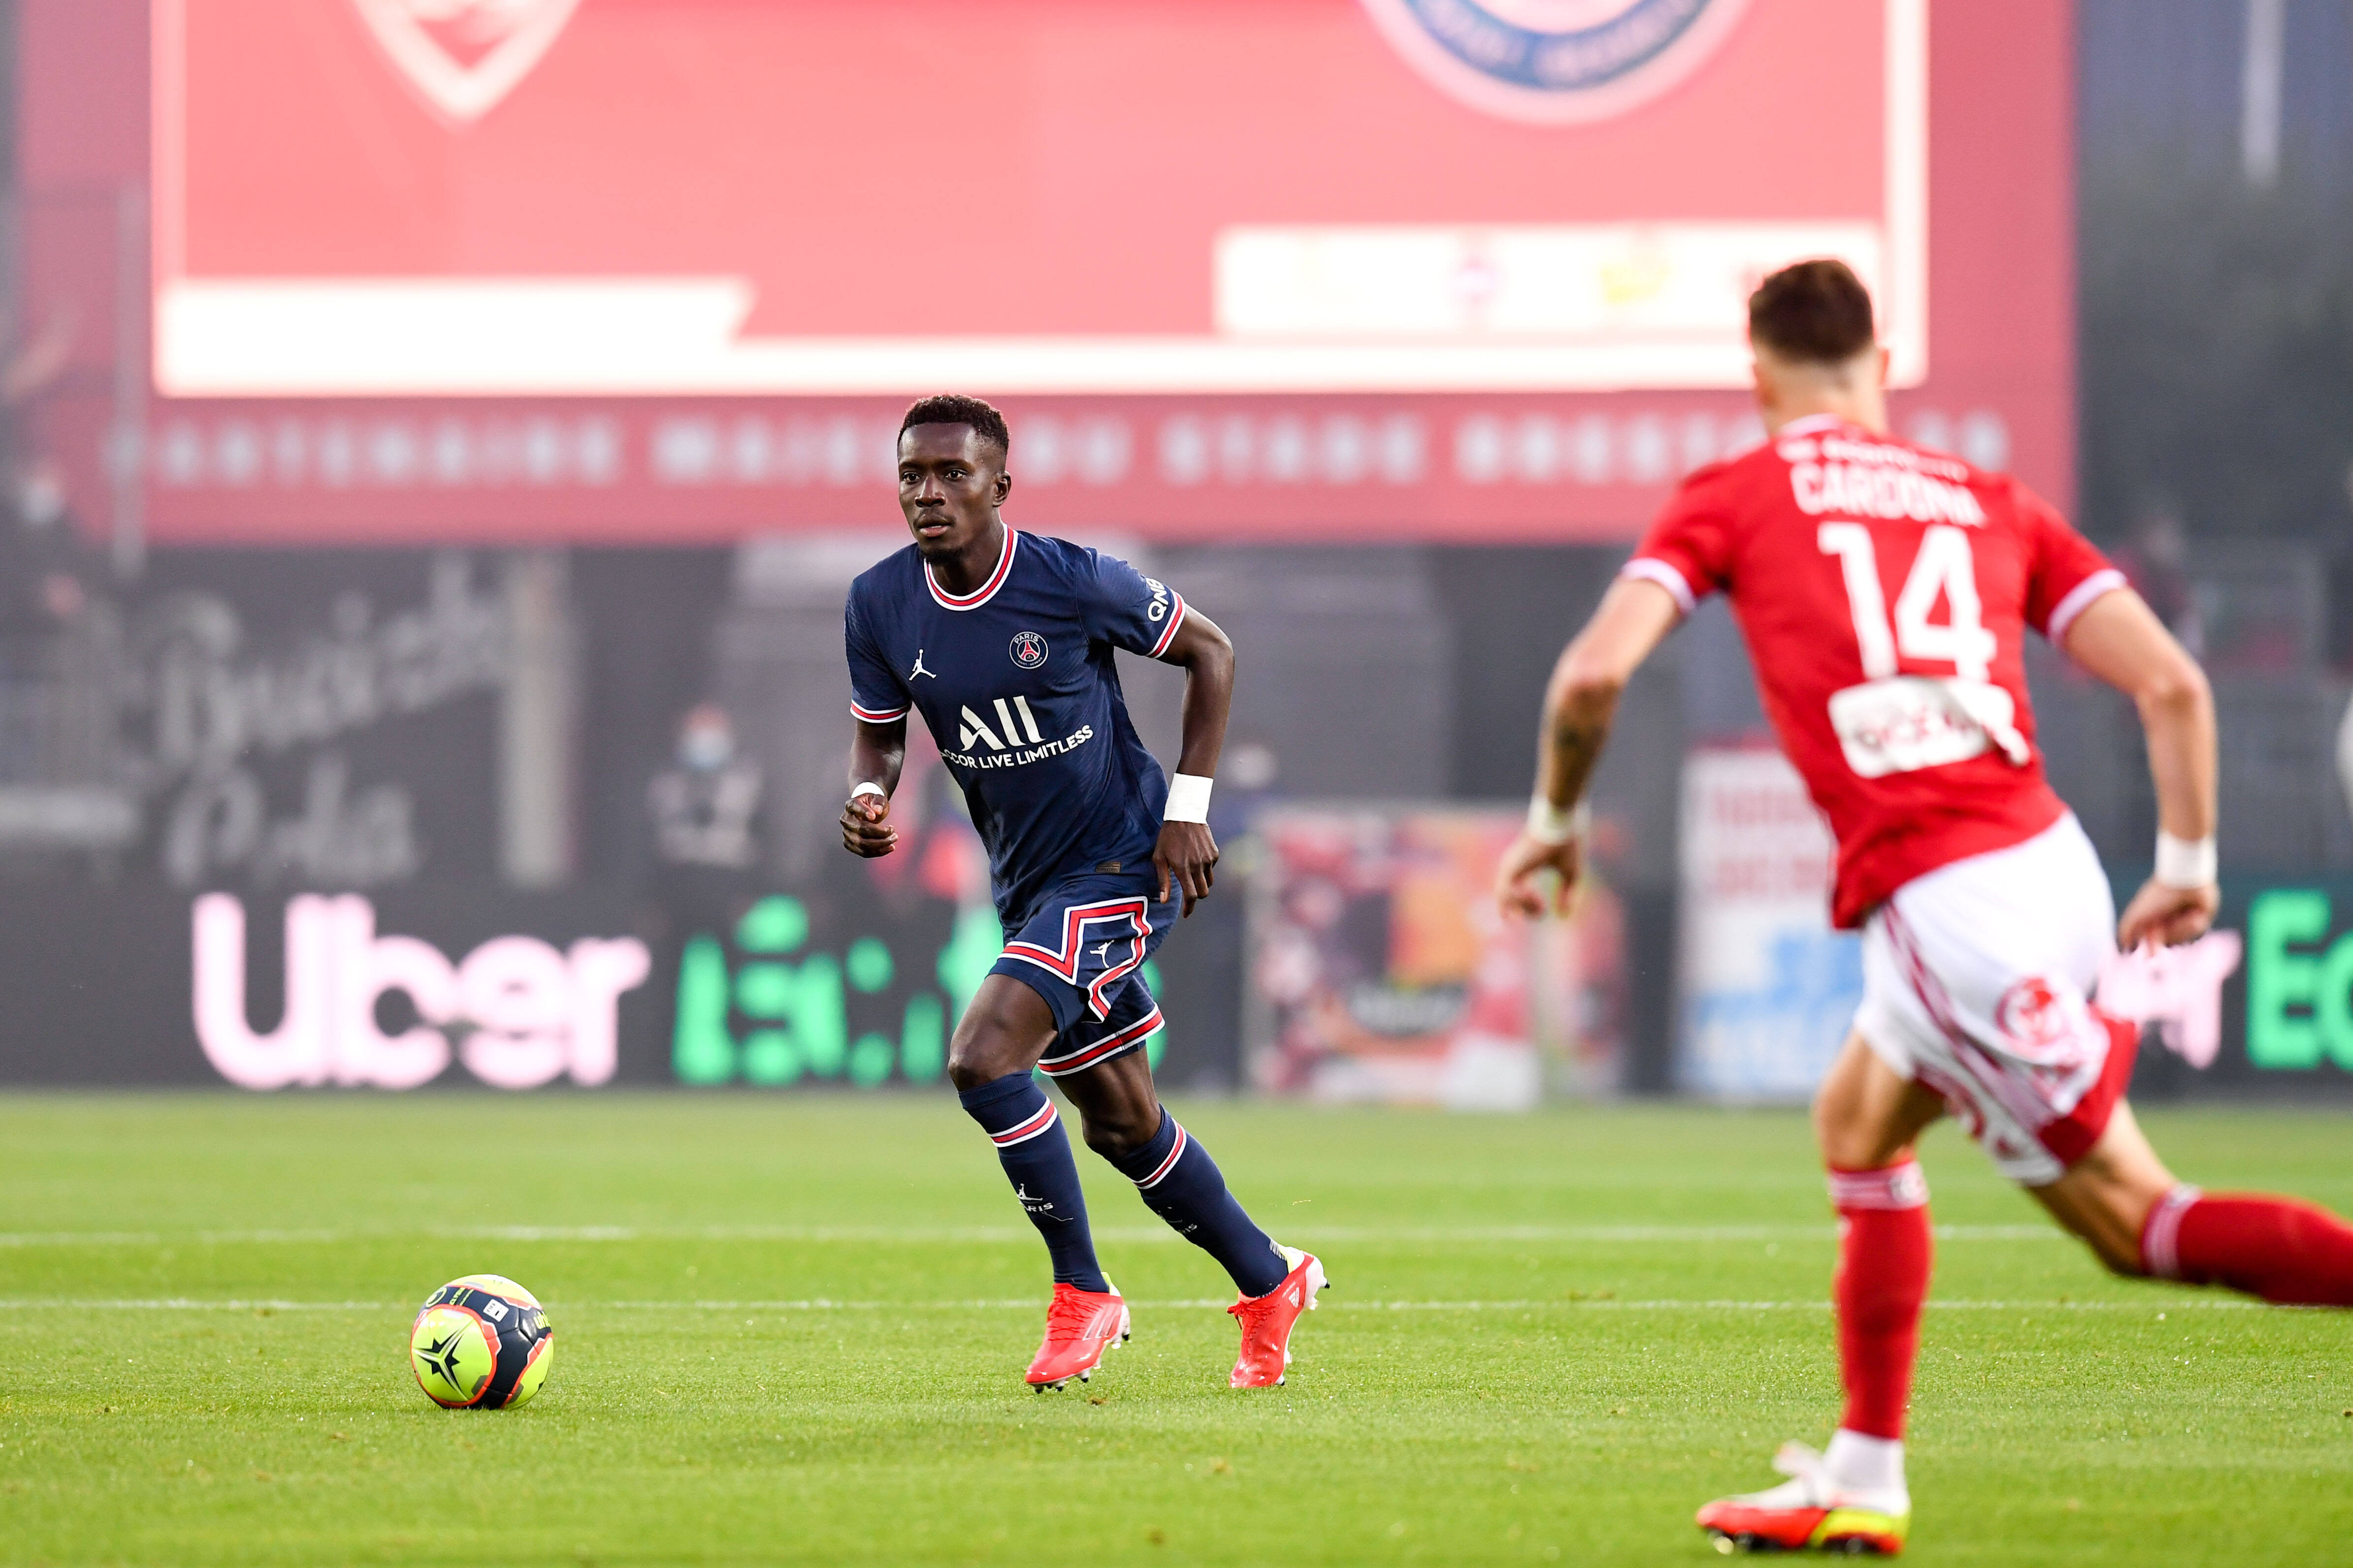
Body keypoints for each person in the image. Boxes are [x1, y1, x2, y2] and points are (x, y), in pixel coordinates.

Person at [1494, 260, 2353, 1556]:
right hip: (2048, 859)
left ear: (1757, 373)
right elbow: (2173, 684)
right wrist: (2185, 863)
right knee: (1857, 1119)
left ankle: (1867, 1479)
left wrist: (1554, 826)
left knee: (2140, 1225)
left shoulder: (1735, 493)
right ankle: (1864, 1478)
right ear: (1881, 364)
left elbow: (1588, 682)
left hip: (1951, 904)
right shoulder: (1984, 496)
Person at [840, 394, 1323, 1391]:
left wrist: (1189, 809)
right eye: (912, 476)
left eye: (952, 475)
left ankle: (1083, 1292)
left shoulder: (1066, 578)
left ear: (998, 487)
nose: (929, 493)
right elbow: (882, 729)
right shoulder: (879, 602)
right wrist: (867, 788)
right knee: (1121, 1121)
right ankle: (1270, 1277)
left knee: (981, 1056)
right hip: (1025, 879)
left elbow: (1211, 651)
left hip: (1121, 861)